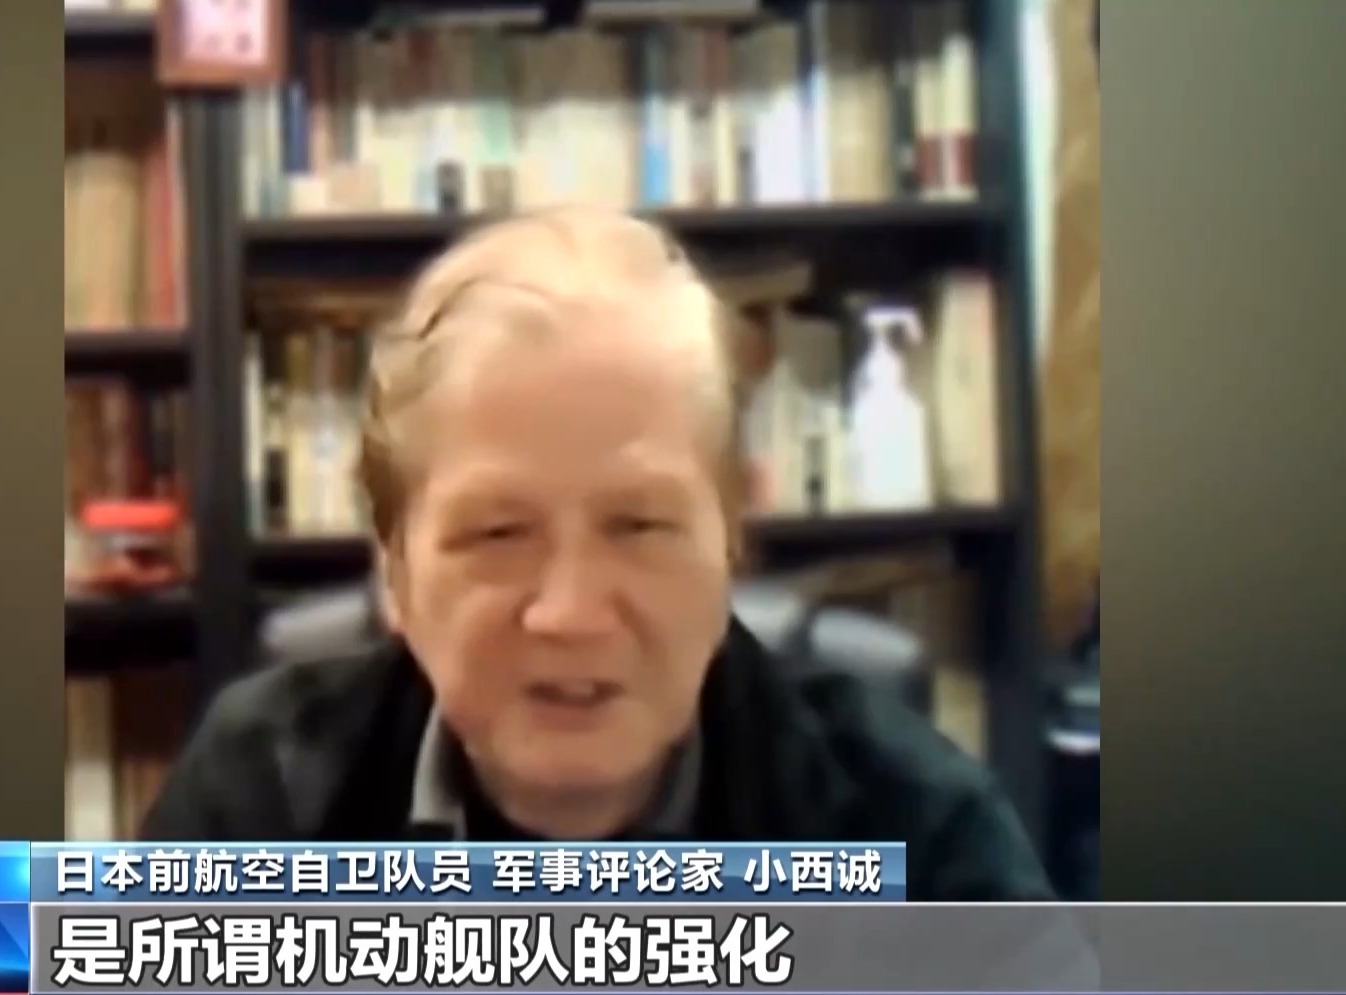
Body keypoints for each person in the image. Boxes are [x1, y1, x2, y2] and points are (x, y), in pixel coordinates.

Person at [141, 205, 1055, 901]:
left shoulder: (918, 832)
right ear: (397, 572)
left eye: (640, 526)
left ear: (731, 543)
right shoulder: (256, 798)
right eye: (498, 533)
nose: (571, 613)